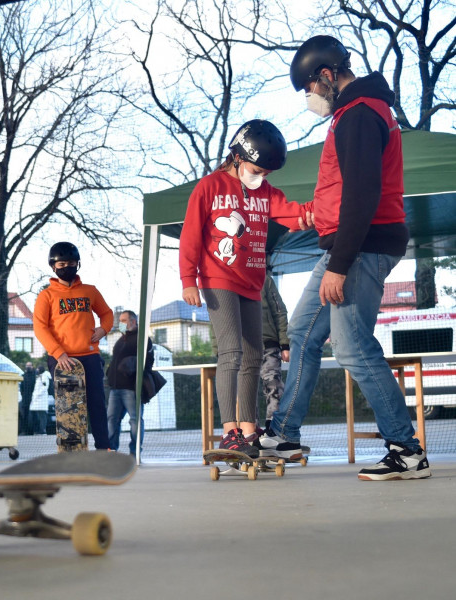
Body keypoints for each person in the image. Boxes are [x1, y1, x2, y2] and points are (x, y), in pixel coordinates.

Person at [260, 35, 430, 480]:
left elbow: (364, 193)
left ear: (328, 75)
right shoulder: (353, 113)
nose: (310, 99)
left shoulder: (358, 114)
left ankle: (406, 450)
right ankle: (285, 433)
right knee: (301, 331)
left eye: (310, 90)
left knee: (353, 346)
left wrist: (339, 265)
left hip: (362, 246)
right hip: (345, 243)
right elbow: (345, 191)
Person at [179, 119, 313, 459]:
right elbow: (191, 235)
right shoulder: (210, 186)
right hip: (217, 279)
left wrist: (314, 214)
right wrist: (188, 280)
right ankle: (229, 432)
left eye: (267, 173)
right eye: (257, 169)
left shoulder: (265, 192)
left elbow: (291, 214)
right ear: (237, 156)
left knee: (254, 355)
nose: (261, 177)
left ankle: (250, 431)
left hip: (252, 281)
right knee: (232, 354)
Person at [33, 241, 114, 450]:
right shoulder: (46, 296)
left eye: (70, 263)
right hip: (63, 361)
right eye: (61, 264)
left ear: (77, 264)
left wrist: (104, 329)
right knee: (68, 407)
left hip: (90, 356)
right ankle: (71, 449)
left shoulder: (90, 291)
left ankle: (104, 448)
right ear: (53, 266)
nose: (65, 267)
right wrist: (59, 354)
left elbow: (107, 313)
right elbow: (40, 328)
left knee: (96, 404)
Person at [105, 310, 153, 458]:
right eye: (120, 320)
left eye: (124, 320)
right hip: (116, 388)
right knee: (112, 419)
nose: (121, 323)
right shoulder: (122, 339)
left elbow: (149, 361)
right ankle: (112, 450)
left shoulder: (142, 339)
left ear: (133, 321)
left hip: (131, 388)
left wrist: (135, 370)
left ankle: (135, 451)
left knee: (135, 420)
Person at [260, 272, 288, 430]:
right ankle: (249, 431)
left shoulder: (266, 280)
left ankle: (274, 428)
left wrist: (285, 344)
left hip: (268, 344)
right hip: (241, 346)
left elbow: (280, 311)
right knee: (245, 392)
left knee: (274, 386)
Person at [28, 365, 52, 435]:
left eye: (38, 369)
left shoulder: (44, 377)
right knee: (37, 415)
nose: (37, 371)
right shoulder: (39, 377)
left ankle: (43, 430)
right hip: (37, 400)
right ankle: (38, 430)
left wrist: (37, 394)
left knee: (42, 415)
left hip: (41, 400)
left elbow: (44, 387)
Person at [19, 361, 36, 435]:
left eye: (29, 365)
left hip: (34, 399)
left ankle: (34, 430)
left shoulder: (35, 376)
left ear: (32, 366)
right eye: (27, 366)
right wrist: (23, 396)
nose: (28, 367)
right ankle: (24, 431)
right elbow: (21, 388)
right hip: (25, 399)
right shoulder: (23, 376)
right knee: (24, 415)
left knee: (34, 415)